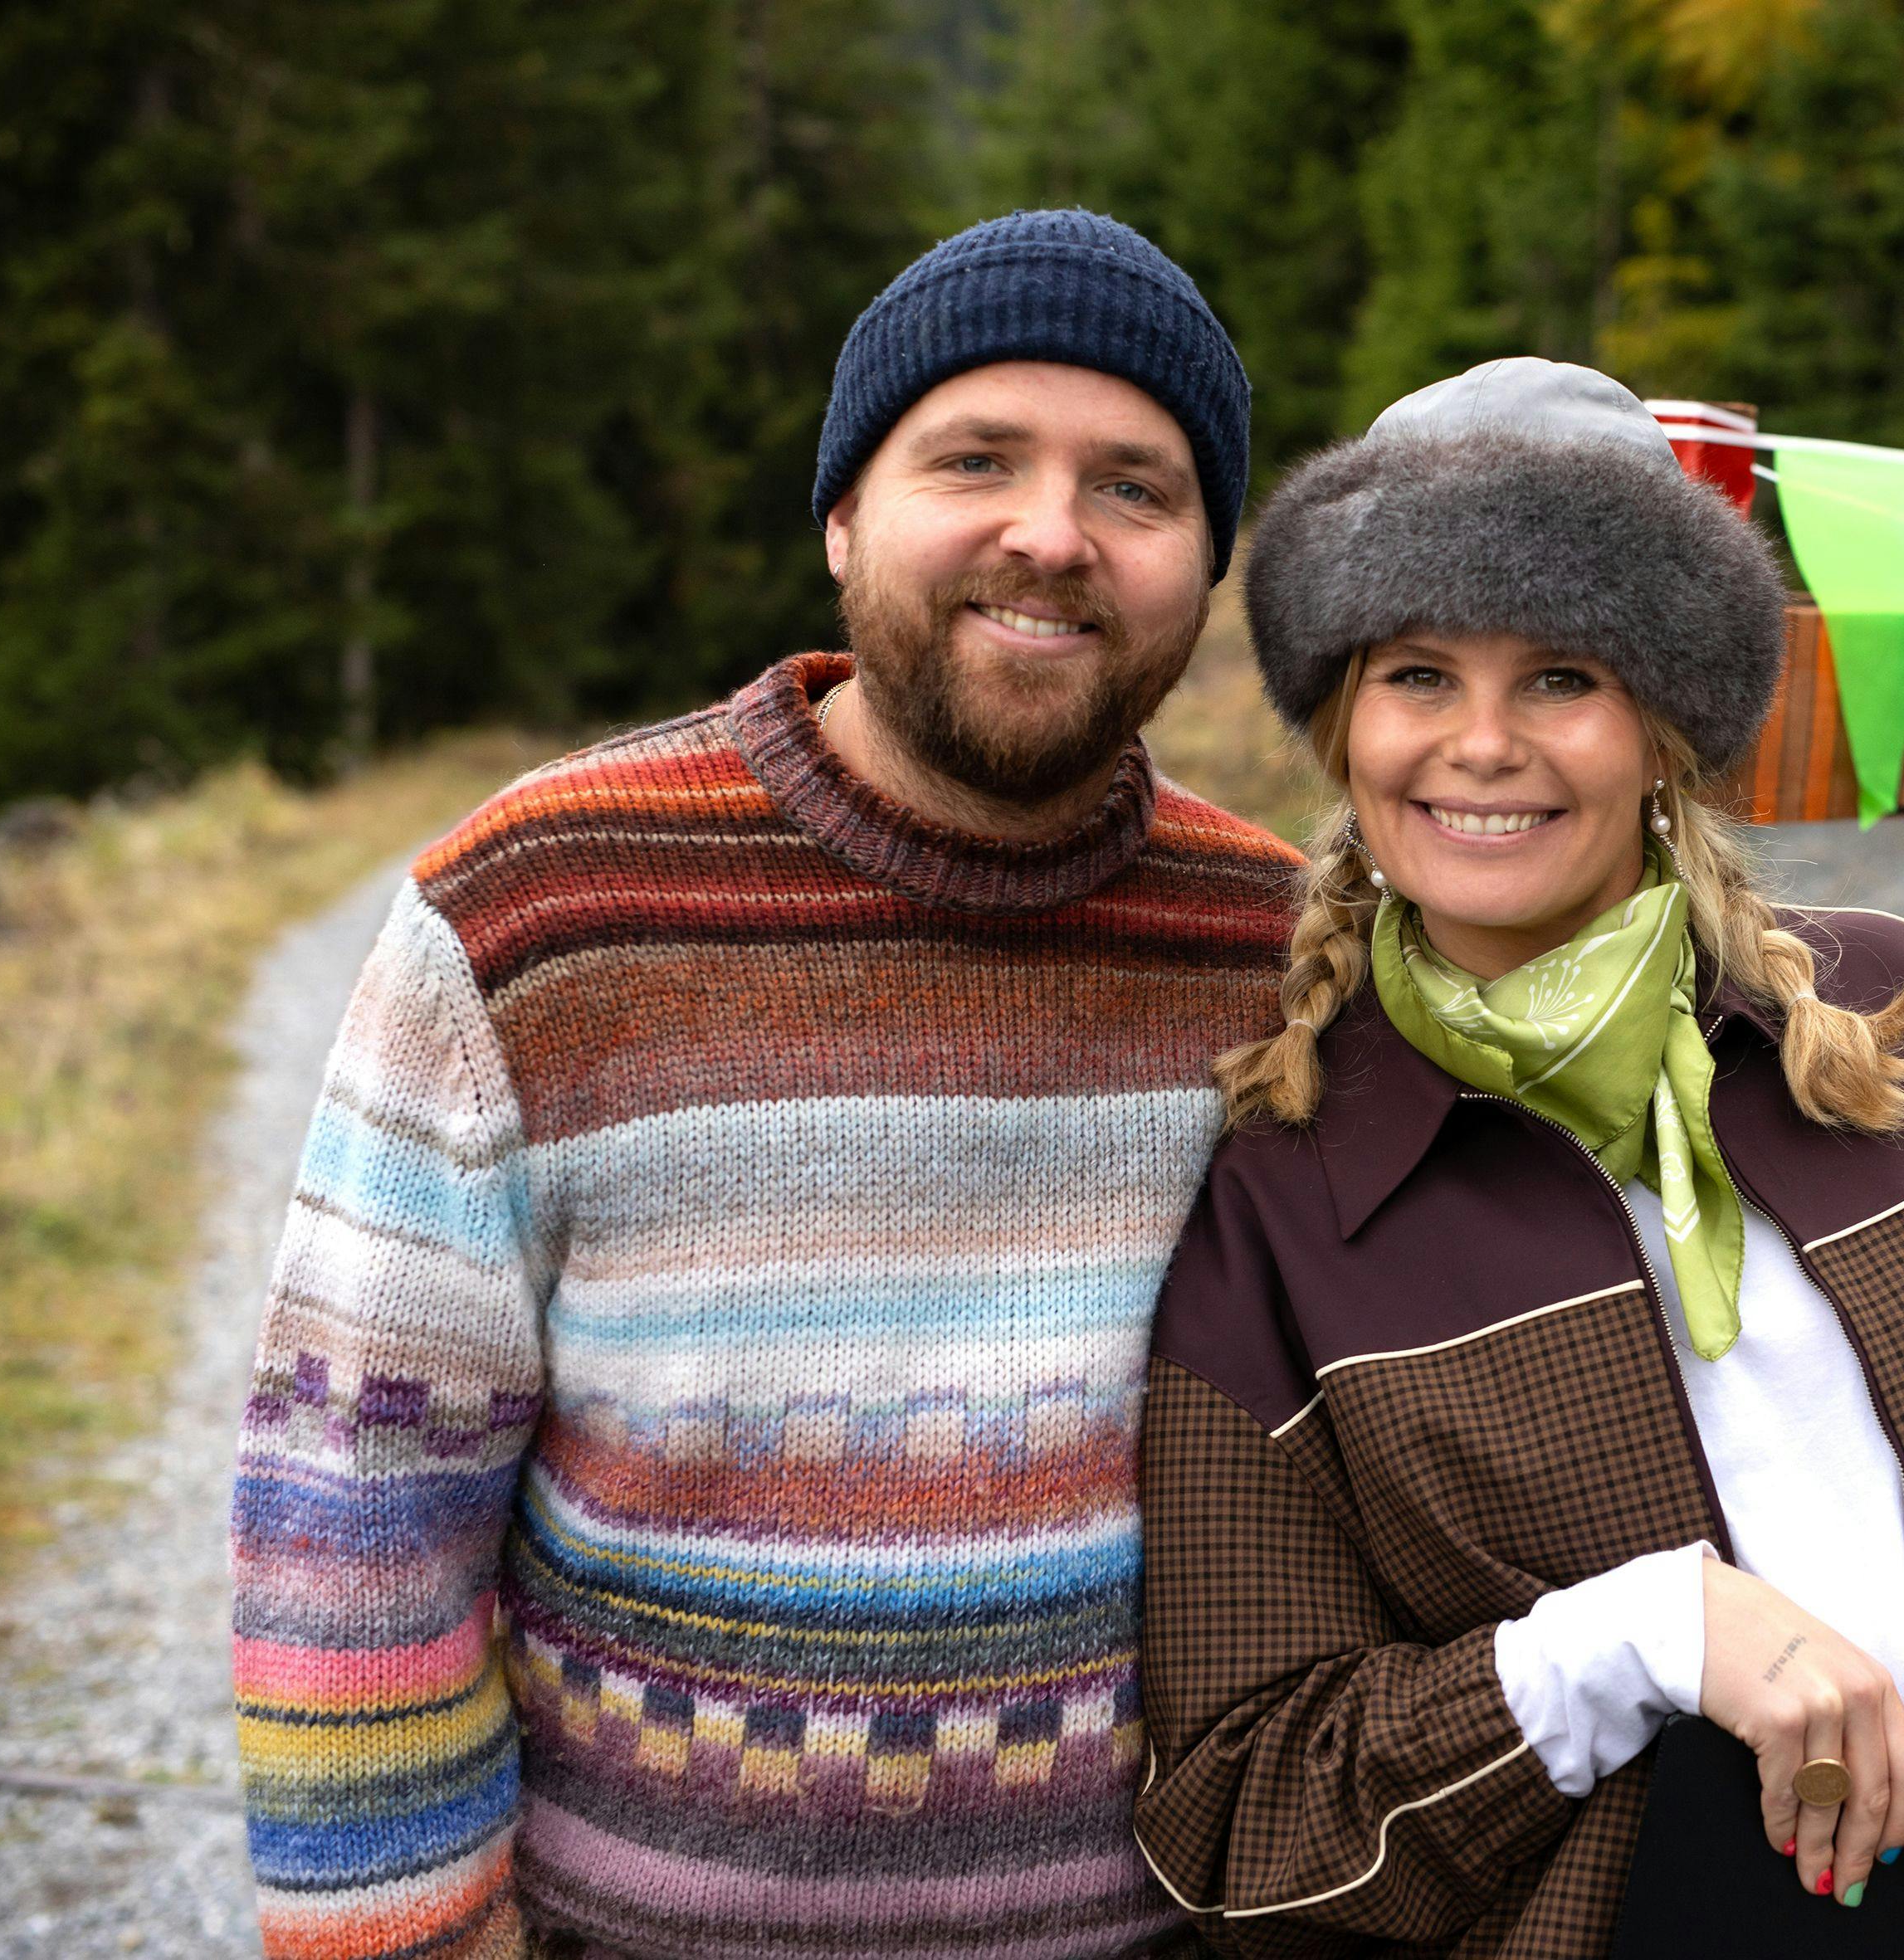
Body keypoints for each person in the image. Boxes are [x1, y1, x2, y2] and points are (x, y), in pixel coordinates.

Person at [1130, 358, 1904, 1958]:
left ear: (1667, 723)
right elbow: (1243, 1823)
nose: (1482, 744)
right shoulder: (1287, 1200)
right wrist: (1624, 1644)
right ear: (1345, 723)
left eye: (1562, 675)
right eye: (1419, 672)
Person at [228, 210, 1301, 1960]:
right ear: (838, 517)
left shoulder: (1277, 953)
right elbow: (352, 1526)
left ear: (1202, 561)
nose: (1052, 532)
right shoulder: (538, 915)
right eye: (975, 458)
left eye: (1135, 486)